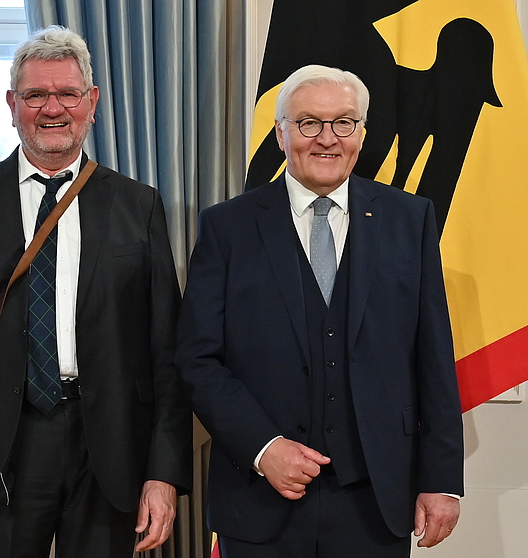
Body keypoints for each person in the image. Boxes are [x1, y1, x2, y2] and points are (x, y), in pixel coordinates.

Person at [0, 25, 192, 558]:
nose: (52, 108)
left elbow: (165, 355)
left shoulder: (138, 205)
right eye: (36, 95)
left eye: (67, 94)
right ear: (12, 104)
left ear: (92, 102)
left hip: (109, 451)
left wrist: (163, 473)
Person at [176, 65, 464, 557]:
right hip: (260, 498)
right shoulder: (228, 227)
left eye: (343, 123)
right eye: (309, 123)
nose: (327, 139)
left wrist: (442, 479)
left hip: (377, 500)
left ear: (361, 133)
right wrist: (264, 448)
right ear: (281, 133)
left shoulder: (410, 219)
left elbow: (433, 358)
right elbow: (197, 360)